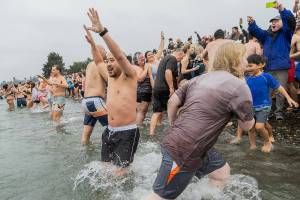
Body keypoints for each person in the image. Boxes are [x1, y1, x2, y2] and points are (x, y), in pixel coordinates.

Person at [145, 42, 255, 200]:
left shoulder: (199, 78)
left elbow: (172, 102)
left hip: (181, 141)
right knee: (159, 197)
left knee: (221, 172)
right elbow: (246, 126)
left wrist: (174, 125)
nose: (246, 62)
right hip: (184, 150)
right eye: (244, 58)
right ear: (236, 59)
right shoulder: (240, 86)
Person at [86, 8, 140, 176]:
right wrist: (93, 45)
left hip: (127, 132)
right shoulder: (109, 77)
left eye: (112, 61)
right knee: (104, 172)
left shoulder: (130, 75)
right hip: (109, 131)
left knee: (119, 175)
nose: (108, 64)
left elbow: (121, 56)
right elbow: (97, 60)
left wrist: (102, 32)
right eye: (107, 61)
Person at [234, 54, 299, 152]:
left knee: (259, 126)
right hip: (251, 107)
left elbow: (279, 87)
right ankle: (253, 146)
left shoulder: (266, 77)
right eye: (247, 66)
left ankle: (267, 142)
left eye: (250, 66)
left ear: (260, 65)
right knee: (251, 128)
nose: (248, 68)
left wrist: (288, 98)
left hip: (264, 106)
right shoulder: (246, 78)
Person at [248, 2, 296, 120]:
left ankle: (279, 112)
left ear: (282, 23)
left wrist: (281, 9)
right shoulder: (266, 35)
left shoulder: (286, 33)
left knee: (280, 91)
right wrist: (252, 23)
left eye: (276, 21)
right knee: (267, 91)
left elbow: (290, 21)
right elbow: (256, 31)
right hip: (268, 67)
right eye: (272, 22)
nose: (273, 23)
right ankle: (266, 112)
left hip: (281, 67)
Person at [80, 25, 109, 145]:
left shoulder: (89, 65)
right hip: (96, 102)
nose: (106, 53)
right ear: (99, 52)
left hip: (86, 102)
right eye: (105, 51)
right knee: (115, 127)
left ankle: (84, 152)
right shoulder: (100, 64)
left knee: (85, 137)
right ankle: (109, 150)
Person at [149, 48, 184, 136]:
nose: (181, 60)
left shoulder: (164, 59)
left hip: (157, 88)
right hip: (165, 88)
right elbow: (168, 72)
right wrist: (171, 88)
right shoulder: (173, 59)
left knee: (157, 111)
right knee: (175, 109)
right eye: (181, 57)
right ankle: (174, 133)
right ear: (179, 54)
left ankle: (151, 134)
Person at [135, 53, 153, 125]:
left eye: (143, 57)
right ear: (137, 61)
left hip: (144, 92)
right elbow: (140, 79)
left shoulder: (145, 66)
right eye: (140, 58)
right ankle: (138, 128)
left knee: (141, 112)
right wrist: (146, 69)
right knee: (141, 112)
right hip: (143, 92)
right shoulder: (136, 68)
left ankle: (138, 126)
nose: (143, 58)